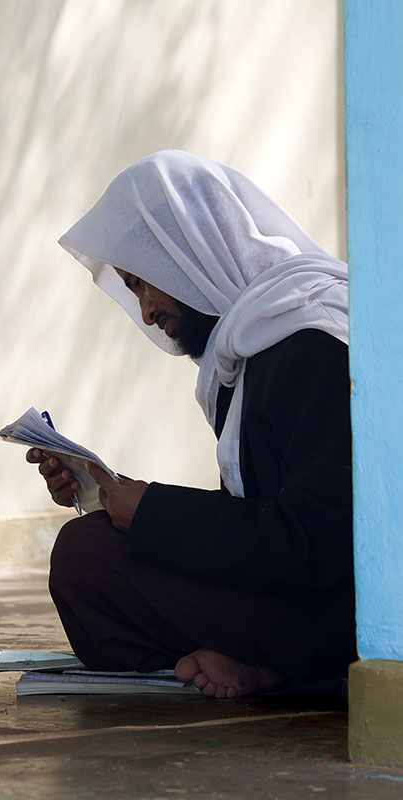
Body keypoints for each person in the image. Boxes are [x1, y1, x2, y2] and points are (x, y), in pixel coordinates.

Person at [26, 150, 356, 699]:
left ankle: (285, 668)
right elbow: (261, 515)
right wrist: (109, 496)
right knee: (90, 551)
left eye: (144, 283)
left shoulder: (313, 341)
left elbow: (318, 541)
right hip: (302, 593)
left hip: (342, 606)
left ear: (188, 255)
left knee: (88, 558)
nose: (147, 312)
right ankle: (263, 667)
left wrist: (152, 512)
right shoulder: (253, 346)